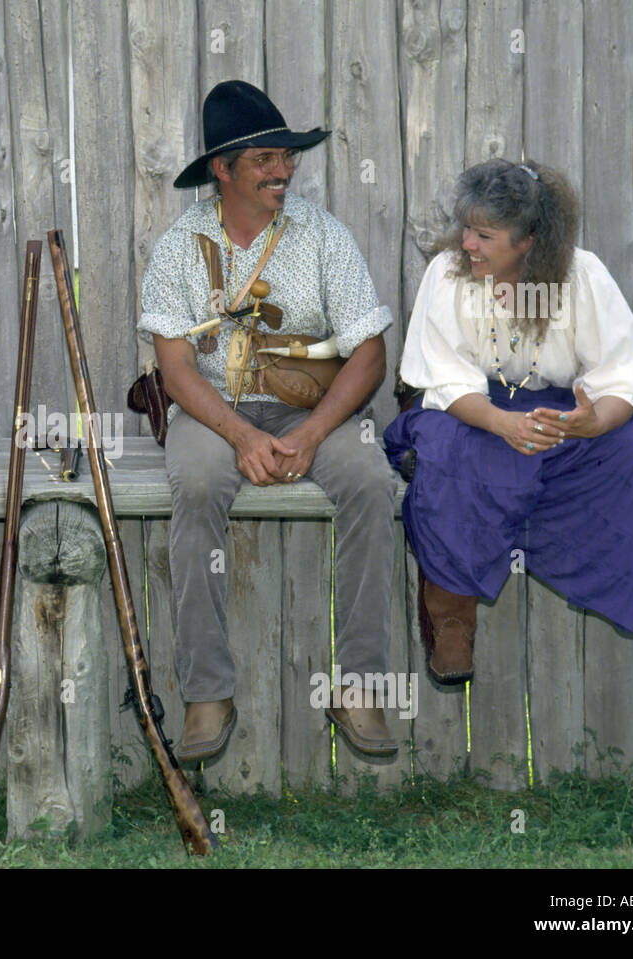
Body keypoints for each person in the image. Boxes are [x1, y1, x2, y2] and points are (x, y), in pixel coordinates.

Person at [138, 80, 399, 761]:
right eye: (264, 160)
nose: (282, 171)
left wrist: (310, 435)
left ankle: (363, 684)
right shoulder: (178, 246)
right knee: (195, 484)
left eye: (286, 157)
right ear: (222, 171)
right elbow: (176, 370)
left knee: (372, 480)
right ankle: (207, 690)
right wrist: (244, 436)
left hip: (316, 409)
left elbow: (368, 353)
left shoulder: (323, 235)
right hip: (216, 413)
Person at [385, 159, 633, 684]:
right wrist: (500, 423)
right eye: (466, 227)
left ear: (529, 241)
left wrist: (591, 423)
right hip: (473, 412)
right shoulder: (447, 274)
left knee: (631, 448)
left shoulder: (582, 275)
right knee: (449, 450)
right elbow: (444, 381)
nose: (468, 243)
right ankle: (451, 619)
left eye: (485, 234)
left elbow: (622, 378)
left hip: (559, 412)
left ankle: (589, 563)